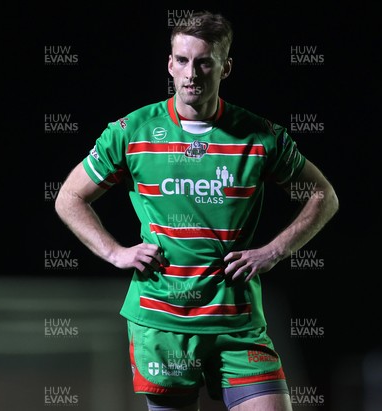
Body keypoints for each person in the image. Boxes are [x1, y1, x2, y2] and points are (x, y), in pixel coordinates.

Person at [55, 10, 339, 411]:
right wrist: (115, 252)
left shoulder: (259, 137)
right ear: (170, 64)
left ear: (226, 68)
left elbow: (323, 195)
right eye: (183, 60)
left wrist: (273, 251)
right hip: (163, 321)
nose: (193, 73)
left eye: (205, 61)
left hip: (237, 321)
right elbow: (68, 197)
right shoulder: (131, 132)